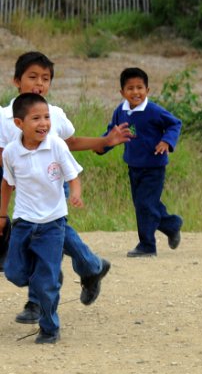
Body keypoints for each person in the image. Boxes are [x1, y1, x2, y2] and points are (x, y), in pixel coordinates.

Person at [0, 52, 122, 323]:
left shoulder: (53, 114)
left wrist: (105, 141)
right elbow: (3, 158)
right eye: (32, 77)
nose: (39, 83)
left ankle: (36, 302)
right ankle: (91, 267)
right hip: (26, 192)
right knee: (49, 236)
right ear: (16, 81)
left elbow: (72, 142)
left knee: (48, 234)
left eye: (45, 79)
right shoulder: (6, 117)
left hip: (55, 186)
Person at [1, 93, 84, 343]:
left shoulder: (56, 144)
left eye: (46, 117)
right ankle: (45, 278)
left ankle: (49, 328)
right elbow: (7, 184)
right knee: (14, 272)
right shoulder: (12, 152)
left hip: (52, 224)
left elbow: (73, 176)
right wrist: (1, 214)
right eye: (36, 118)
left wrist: (76, 194)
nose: (44, 123)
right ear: (19, 124)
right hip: (24, 222)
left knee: (45, 283)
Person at [97, 67, 183, 258]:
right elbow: (114, 133)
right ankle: (171, 225)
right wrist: (101, 145)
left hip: (154, 166)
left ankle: (147, 245)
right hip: (133, 165)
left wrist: (167, 141)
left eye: (139, 88)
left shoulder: (153, 111)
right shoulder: (120, 111)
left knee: (145, 205)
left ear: (147, 90)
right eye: (130, 88)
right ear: (122, 92)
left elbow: (174, 124)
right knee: (145, 204)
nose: (135, 92)